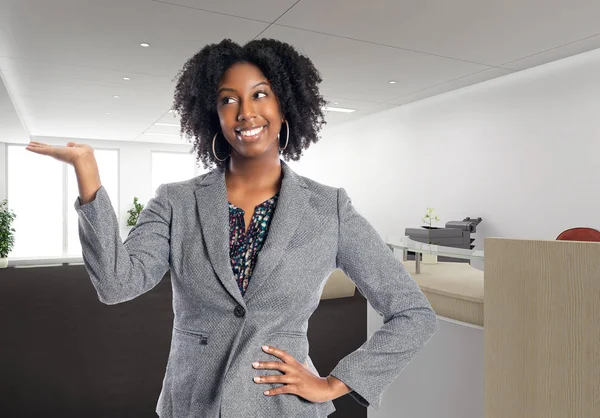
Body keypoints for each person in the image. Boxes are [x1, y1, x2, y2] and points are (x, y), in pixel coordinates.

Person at [25, 38, 437, 418]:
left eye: (260, 94)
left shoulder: (329, 208)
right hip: (192, 405)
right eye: (228, 100)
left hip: (283, 409)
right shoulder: (176, 201)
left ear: (285, 105)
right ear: (213, 115)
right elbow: (116, 284)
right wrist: (88, 176)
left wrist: (333, 384)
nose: (245, 112)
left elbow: (413, 313)